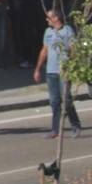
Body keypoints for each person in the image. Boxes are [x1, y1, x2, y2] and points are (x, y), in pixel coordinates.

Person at [33, 9, 81, 139]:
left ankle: (75, 125)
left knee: (66, 99)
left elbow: (73, 48)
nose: (47, 20)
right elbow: (44, 50)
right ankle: (55, 130)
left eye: (48, 17)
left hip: (64, 70)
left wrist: (72, 65)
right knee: (54, 101)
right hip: (51, 71)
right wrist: (37, 69)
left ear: (56, 18)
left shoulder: (67, 30)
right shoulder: (48, 32)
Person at [12, 0, 54, 72]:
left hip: (44, 12)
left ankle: (42, 59)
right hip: (29, 10)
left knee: (43, 35)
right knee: (28, 35)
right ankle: (27, 59)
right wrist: (16, 2)